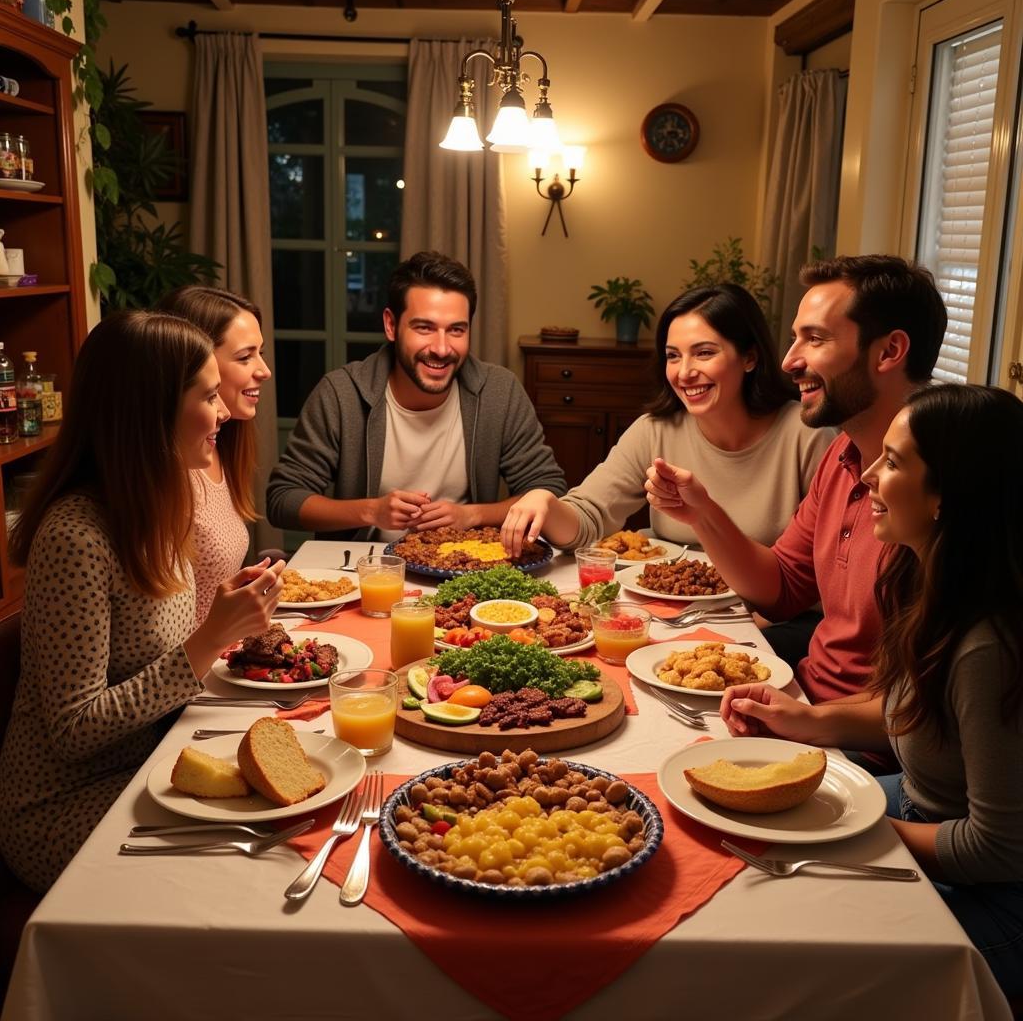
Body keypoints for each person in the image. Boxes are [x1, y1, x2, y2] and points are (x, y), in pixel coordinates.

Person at [719, 383, 1023, 998]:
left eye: (894, 462)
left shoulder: (988, 645)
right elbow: (926, 715)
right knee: (734, 848)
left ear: (947, 496)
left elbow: (997, 851)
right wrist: (814, 722)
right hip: (916, 809)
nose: (871, 478)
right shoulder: (928, 575)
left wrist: (849, 835)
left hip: (994, 898)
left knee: (779, 940)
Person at [0, 312, 285, 893]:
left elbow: (158, 655)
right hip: (68, 801)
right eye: (208, 396)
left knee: (290, 820)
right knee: (249, 874)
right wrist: (208, 640)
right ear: (150, 413)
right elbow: (73, 730)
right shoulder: (76, 536)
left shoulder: (162, 505)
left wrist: (226, 614)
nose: (225, 412)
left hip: (152, 766)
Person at [645, 255, 947, 710]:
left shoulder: (940, 484)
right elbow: (781, 589)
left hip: (865, 745)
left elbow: (924, 704)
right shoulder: (840, 456)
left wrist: (808, 721)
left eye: (816, 339)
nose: (788, 361)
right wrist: (702, 513)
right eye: (794, 339)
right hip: (804, 691)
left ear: (889, 352)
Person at [501, 283, 833, 553]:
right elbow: (589, 520)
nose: (684, 373)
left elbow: (824, 564)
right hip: (671, 613)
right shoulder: (655, 431)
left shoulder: (807, 435)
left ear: (749, 357)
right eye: (673, 356)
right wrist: (545, 502)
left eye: (704, 353)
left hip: (767, 620)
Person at [266, 250, 566, 542]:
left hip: (465, 571)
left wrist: (472, 516)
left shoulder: (500, 391)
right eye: (424, 328)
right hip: (367, 571)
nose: (441, 348)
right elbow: (283, 500)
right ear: (391, 325)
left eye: (456, 330)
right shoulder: (341, 393)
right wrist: (372, 511)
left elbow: (548, 490)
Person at [158, 286, 272, 625]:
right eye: (244, 357)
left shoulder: (221, 446)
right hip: (193, 668)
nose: (264, 370)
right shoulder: (169, 467)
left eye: (260, 353)